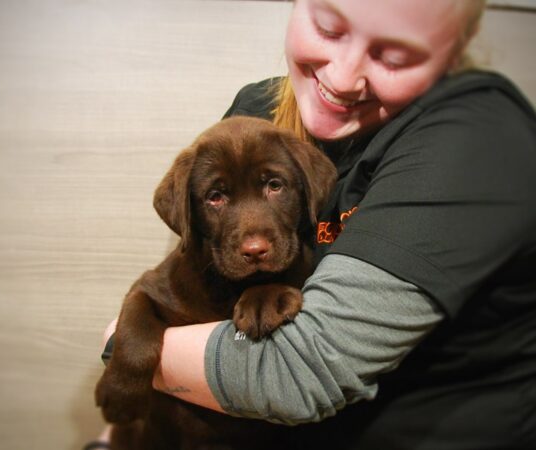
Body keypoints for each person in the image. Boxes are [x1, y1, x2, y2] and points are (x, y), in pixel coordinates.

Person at [85, 0, 536, 448]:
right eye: (328, 27)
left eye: (393, 55)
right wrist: (115, 437)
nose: (340, 77)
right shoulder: (259, 109)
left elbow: (295, 374)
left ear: (456, 48)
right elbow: (187, 288)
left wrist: (125, 348)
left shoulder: (475, 139)